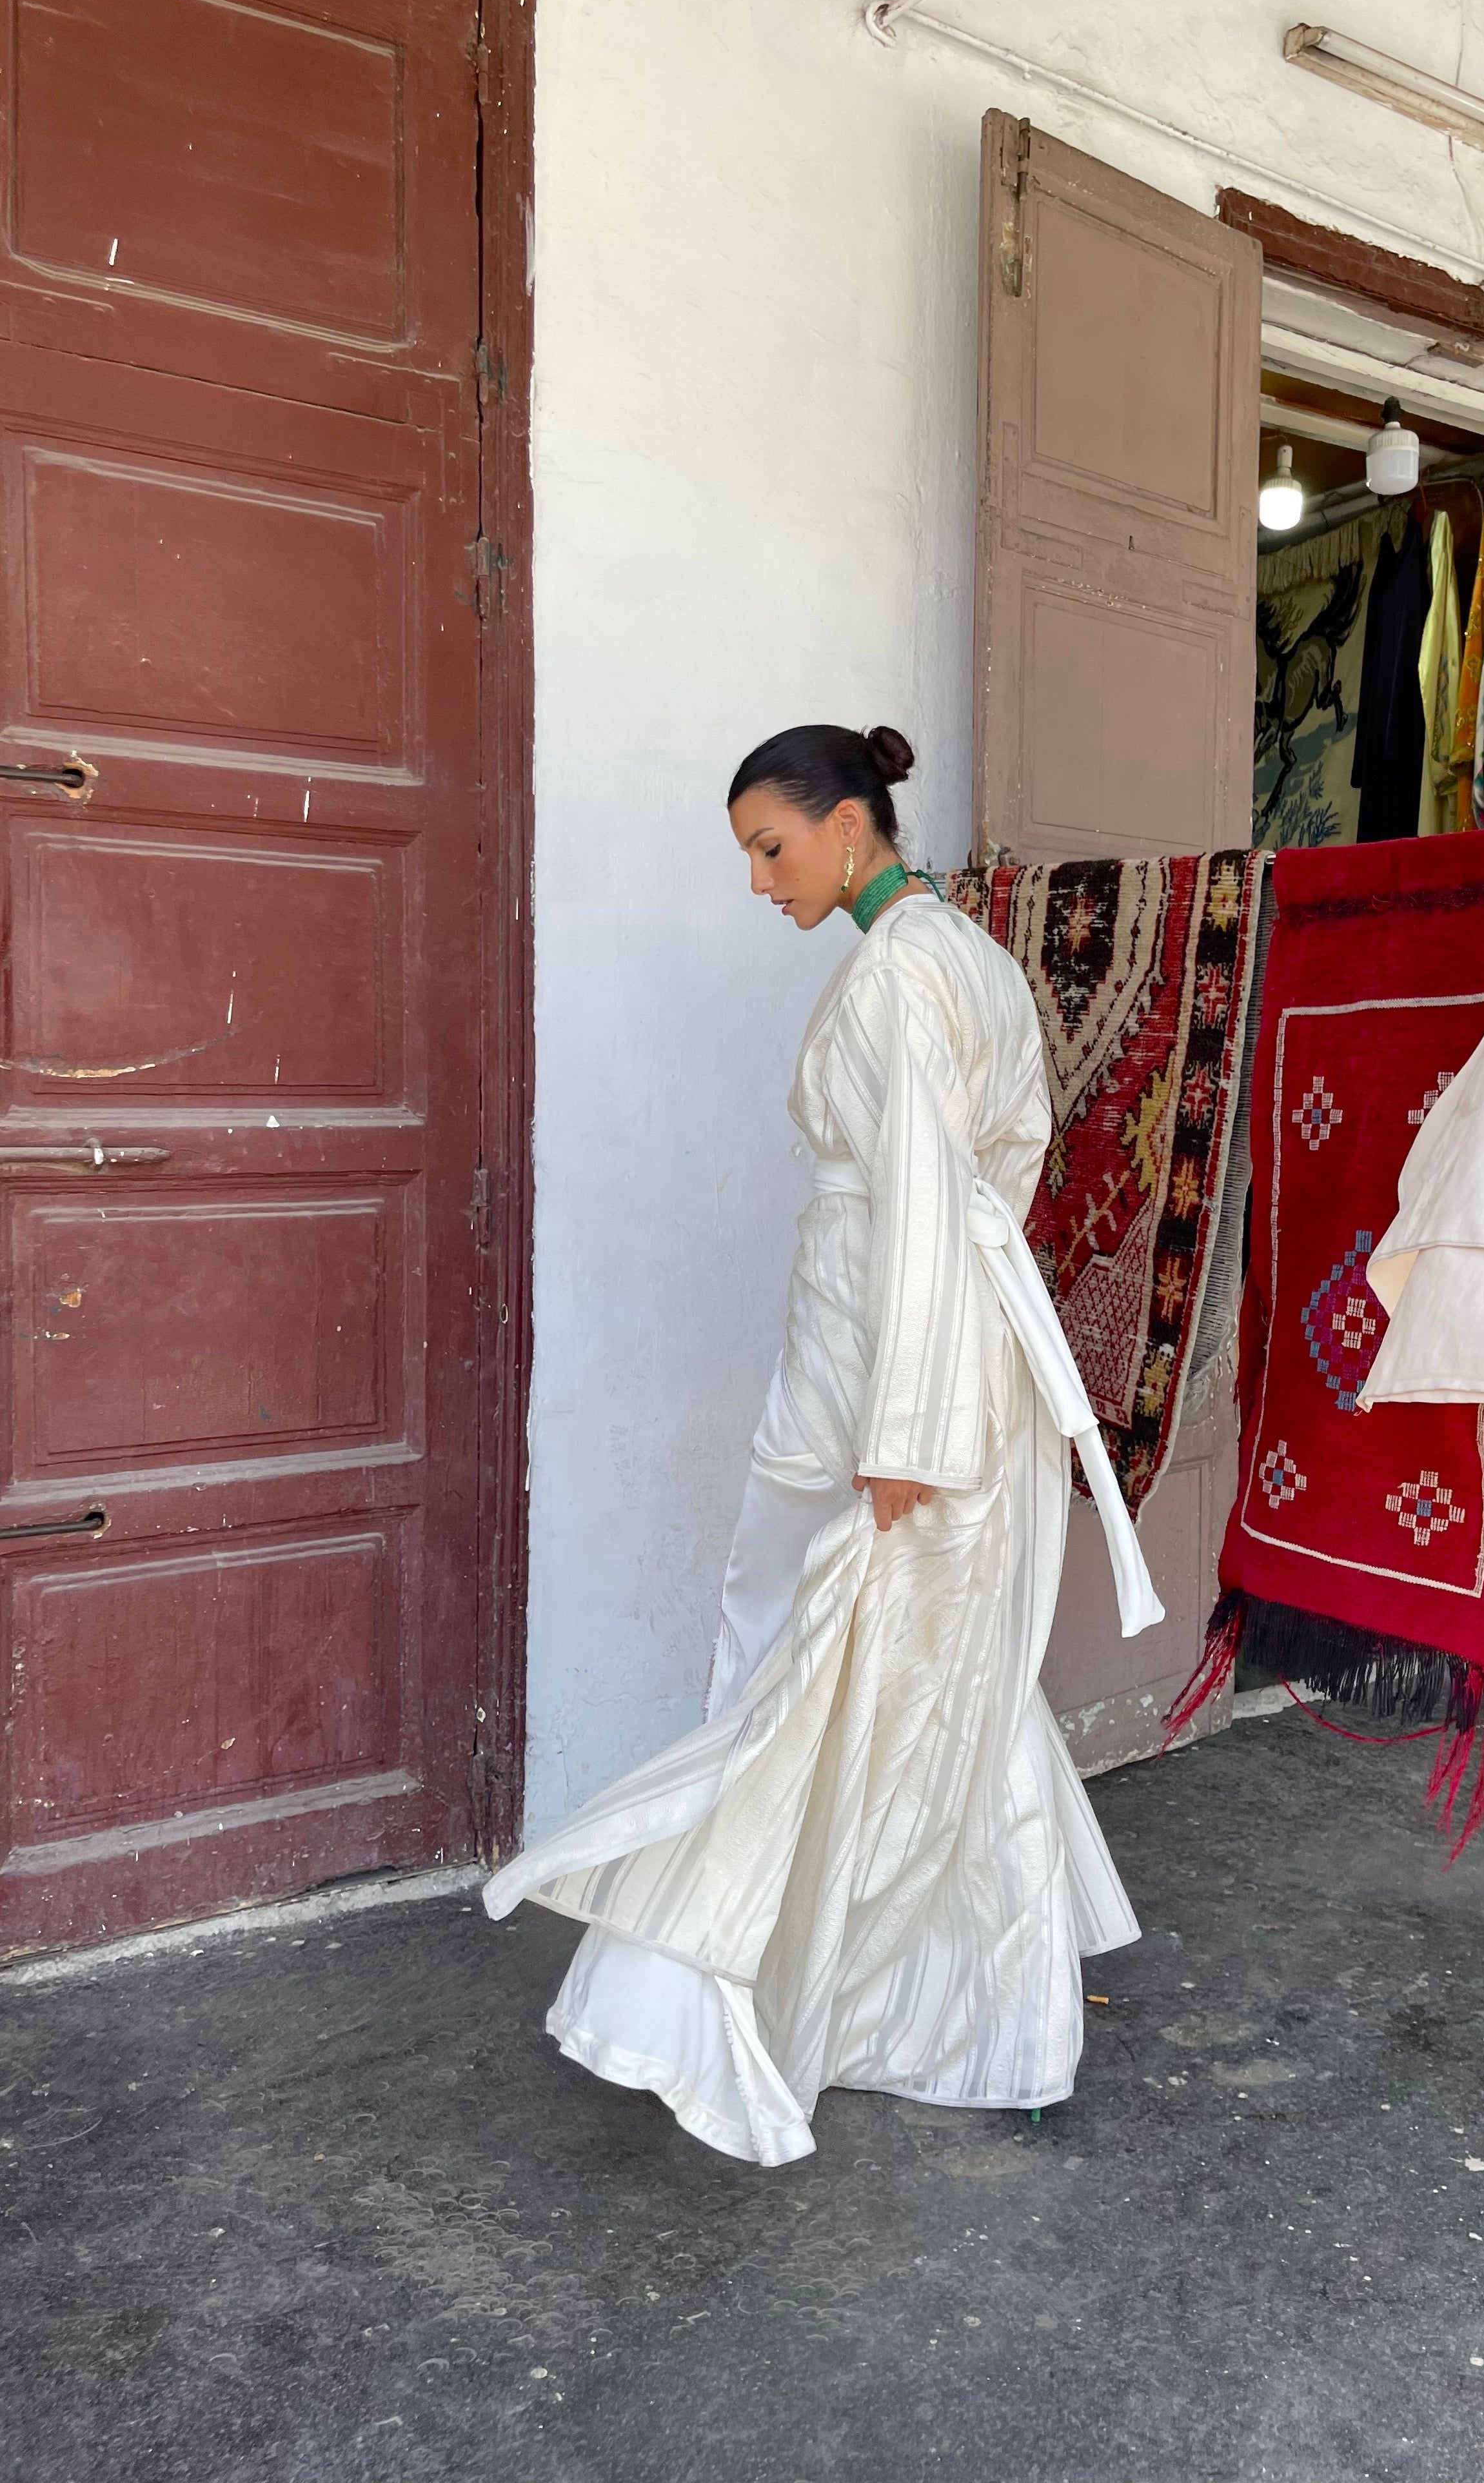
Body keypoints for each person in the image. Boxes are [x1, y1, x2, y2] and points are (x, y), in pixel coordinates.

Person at [483, 723, 1163, 2165]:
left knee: (845, 1684)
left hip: (899, 1385)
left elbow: (923, 1203)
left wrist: (901, 1431)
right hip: (933, 1358)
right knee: (926, 1695)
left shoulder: (905, 977)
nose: (757, 880)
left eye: (769, 847)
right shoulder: (960, 958)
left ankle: (819, 2006)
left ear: (850, 827)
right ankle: (965, 2017)